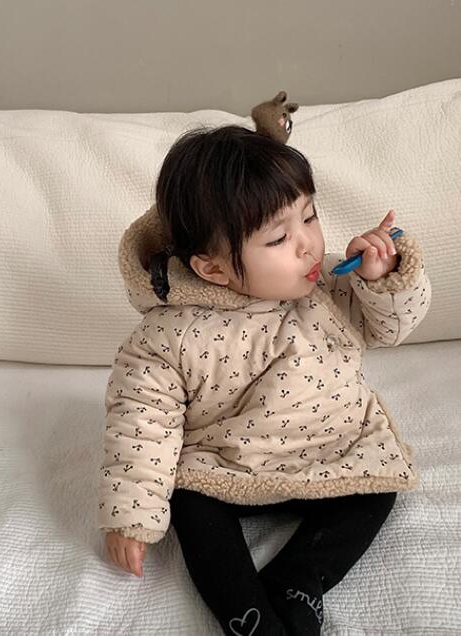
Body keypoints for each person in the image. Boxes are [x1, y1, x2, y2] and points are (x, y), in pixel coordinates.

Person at [99, 124, 432, 635]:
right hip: (226, 463)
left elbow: (389, 328)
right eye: (279, 238)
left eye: (310, 216)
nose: (308, 246)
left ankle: (298, 580)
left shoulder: (330, 287)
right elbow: (141, 422)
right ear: (213, 270)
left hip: (335, 447)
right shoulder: (169, 334)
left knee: (379, 485)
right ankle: (250, 617)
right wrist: (130, 513)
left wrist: (381, 280)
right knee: (189, 503)